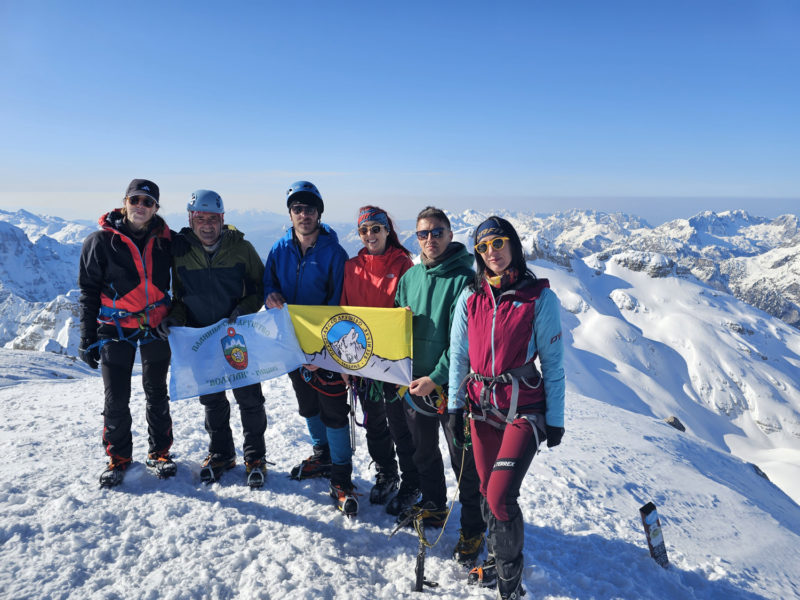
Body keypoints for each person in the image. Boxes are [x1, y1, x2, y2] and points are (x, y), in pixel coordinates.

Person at [449, 216, 565, 600]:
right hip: (481, 408)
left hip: (524, 410)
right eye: (482, 247)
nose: (491, 252)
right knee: (486, 492)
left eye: (497, 242)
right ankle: (497, 560)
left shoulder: (539, 298)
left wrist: (555, 420)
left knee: (500, 496)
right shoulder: (471, 298)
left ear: (512, 243)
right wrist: (454, 407)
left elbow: (553, 363)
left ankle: (510, 585)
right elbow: (459, 356)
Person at [393, 206, 487, 566]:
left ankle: (473, 527)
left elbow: (464, 342)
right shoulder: (410, 278)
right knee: (423, 452)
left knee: (464, 462)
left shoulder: (466, 279)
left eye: (436, 232)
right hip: (414, 385)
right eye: (423, 233)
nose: (429, 239)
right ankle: (433, 505)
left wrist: (436, 377)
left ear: (450, 234)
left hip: (452, 390)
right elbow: (397, 328)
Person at [156, 190, 268, 488]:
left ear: (222, 219)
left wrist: (243, 310)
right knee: (212, 400)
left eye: (213, 219)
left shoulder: (241, 248)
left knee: (249, 399)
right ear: (190, 219)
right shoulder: (181, 252)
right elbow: (180, 297)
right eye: (200, 218)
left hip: (237, 336)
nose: (207, 225)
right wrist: (176, 318)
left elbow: (259, 287)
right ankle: (221, 454)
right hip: (202, 339)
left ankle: (255, 457)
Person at [263, 181, 356, 516]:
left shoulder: (334, 253)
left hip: (326, 348)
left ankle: (342, 476)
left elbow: (339, 304)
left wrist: (320, 353)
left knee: (333, 410)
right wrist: (270, 295)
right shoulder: (279, 249)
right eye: (298, 209)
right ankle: (323, 455)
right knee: (307, 404)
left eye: (310, 209)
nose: (304, 215)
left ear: (319, 213)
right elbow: (269, 283)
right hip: (292, 345)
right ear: (291, 214)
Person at [78, 178, 175, 487]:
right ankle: (118, 458)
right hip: (115, 328)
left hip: (156, 325)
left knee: (156, 392)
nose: (140, 206)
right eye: (135, 200)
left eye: (148, 202)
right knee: (116, 398)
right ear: (125, 203)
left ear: (156, 208)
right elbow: (88, 291)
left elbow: (189, 272)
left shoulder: (167, 240)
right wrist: (87, 336)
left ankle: (159, 453)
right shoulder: (100, 242)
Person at [340, 206, 418, 509]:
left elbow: (409, 308)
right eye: (364, 230)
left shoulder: (403, 264)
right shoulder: (352, 267)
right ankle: (387, 472)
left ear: (387, 230)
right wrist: (345, 362)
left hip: (394, 360)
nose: (370, 235)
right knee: (374, 421)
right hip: (363, 360)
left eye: (376, 228)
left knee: (400, 424)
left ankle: (412, 480)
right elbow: (344, 312)